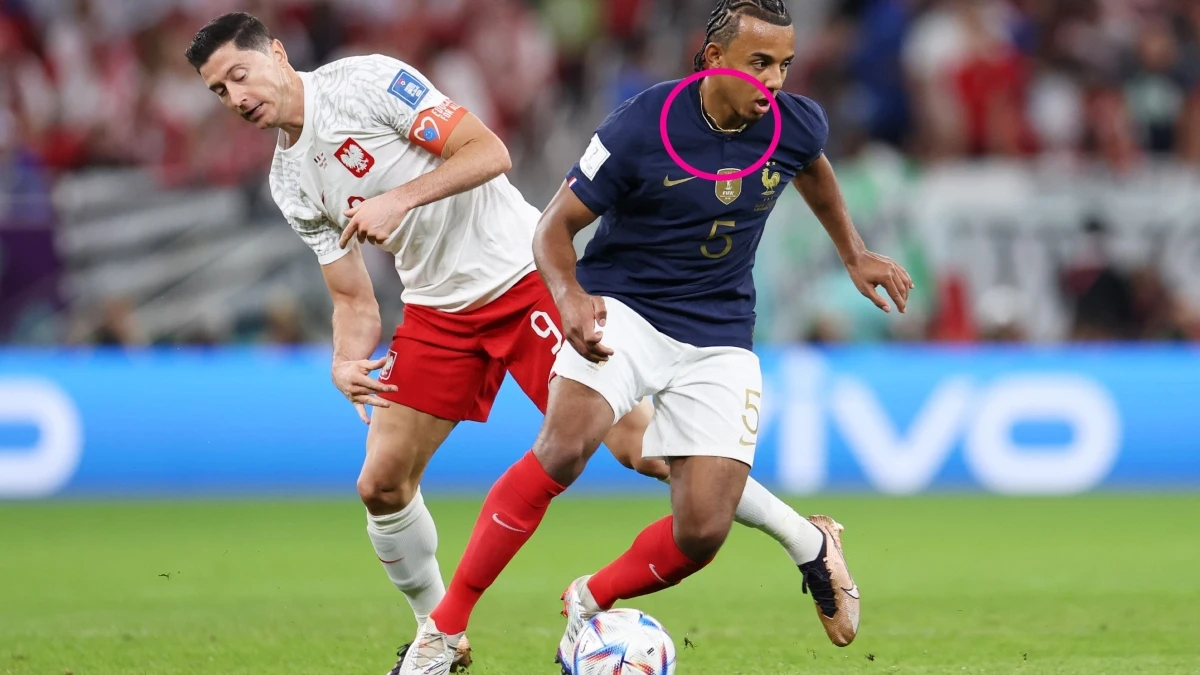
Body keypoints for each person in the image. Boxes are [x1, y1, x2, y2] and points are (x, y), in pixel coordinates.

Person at [186, 11, 846, 674]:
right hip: (436, 310)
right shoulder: (290, 181)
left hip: (520, 279)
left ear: (276, 52)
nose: (237, 97)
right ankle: (437, 635)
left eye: (239, 74)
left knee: (645, 450)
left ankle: (805, 539)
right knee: (381, 484)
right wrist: (345, 358)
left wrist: (401, 199)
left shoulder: (366, 83)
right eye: (219, 91)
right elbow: (353, 298)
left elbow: (488, 152)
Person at [397, 1, 915, 673]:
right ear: (713, 59)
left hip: (721, 330)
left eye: (784, 65)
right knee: (562, 448)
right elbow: (552, 229)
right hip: (626, 308)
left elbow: (811, 164)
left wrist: (854, 252)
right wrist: (573, 300)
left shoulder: (795, 122)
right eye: (759, 64)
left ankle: (594, 595)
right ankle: (443, 630)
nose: (774, 82)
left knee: (703, 529)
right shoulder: (643, 126)